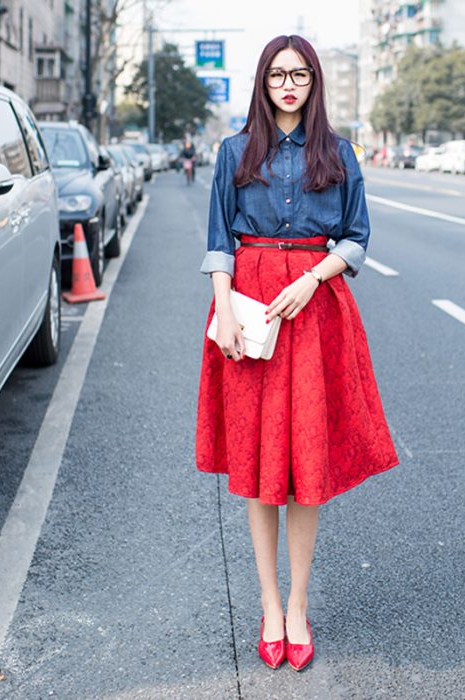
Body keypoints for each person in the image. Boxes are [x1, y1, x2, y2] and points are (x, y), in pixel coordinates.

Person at [196, 34, 399, 672]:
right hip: (250, 313)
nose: (289, 84)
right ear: (263, 81)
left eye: (301, 75)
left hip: (314, 311)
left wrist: (311, 278)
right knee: (259, 465)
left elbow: (358, 239)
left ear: (314, 83)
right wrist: (224, 309)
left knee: (306, 467)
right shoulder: (235, 152)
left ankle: (300, 606)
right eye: (279, 74)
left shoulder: (339, 155)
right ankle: (267, 605)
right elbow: (219, 243)